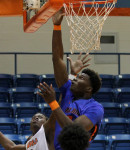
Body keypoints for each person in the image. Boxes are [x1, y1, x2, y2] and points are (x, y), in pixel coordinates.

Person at [38, 7, 104, 150]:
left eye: (80, 78)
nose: (74, 79)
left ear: (89, 88)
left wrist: (53, 103)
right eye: (76, 76)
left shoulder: (95, 108)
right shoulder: (68, 91)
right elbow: (57, 59)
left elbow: (73, 131)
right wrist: (56, 26)